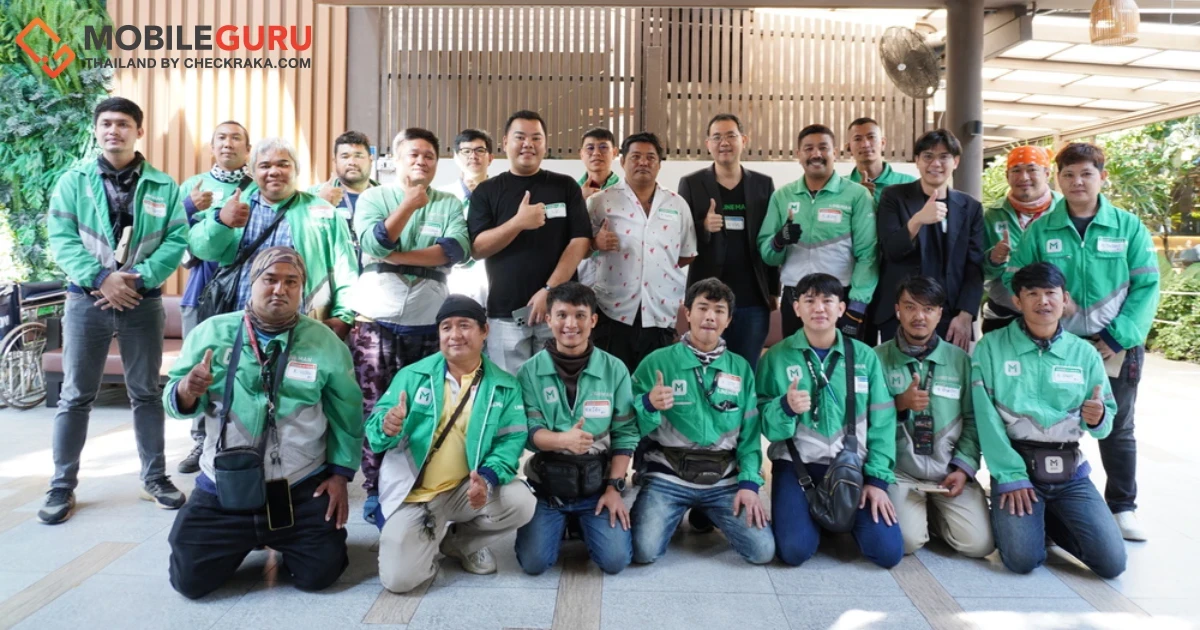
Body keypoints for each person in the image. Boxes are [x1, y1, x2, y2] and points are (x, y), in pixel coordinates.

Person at [164, 247, 364, 598]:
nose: (280, 289)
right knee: (189, 582)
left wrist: (339, 475)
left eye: (291, 282)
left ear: (301, 288)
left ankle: (281, 539)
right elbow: (174, 400)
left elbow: (347, 414)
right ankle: (247, 538)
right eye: (270, 279)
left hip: (298, 485)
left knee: (320, 575)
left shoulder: (325, 343)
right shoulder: (212, 333)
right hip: (224, 485)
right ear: (252, 281)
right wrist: (186, 390)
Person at [39, 97, 188, 525]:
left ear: (138, 131)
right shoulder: (73, 181)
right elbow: (61, 237)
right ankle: (62, 485)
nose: (113, 131)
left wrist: (136, 279)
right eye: (105, 123)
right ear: (96, 130)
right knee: (75, 395)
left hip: (143, 300)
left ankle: (154, 478)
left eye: (122, 124)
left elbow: (176, 239)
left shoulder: (163, 185)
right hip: (86, 300)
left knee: (146, 393)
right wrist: (101, 278)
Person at [1004, 143, 1159, 542]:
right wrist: (1050, 308)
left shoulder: (1128, 227)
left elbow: (1147, 286)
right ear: (1058, 179)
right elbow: (1014, 278)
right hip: (1059, 346)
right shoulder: (1041, 230)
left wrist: (1116, 336)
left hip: (1116, 346)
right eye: (1069, 175)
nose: (1077, 182)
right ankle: (1052, 501)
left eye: (1086, 174)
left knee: (1117, 426)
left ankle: (1122, 506)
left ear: (1102, 177)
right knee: (1052, 422)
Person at [368, 295, 536, 593]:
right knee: (399, 581)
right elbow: (374, 432)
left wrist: (487, 479)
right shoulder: (413, 376)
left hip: (466, 489)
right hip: (415, 494)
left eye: (464, 325)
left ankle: (461, 543)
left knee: (521, 502)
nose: (455, 334)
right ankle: (426, 537)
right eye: (446, 327)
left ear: (485, 331)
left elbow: (510, 442)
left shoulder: (504, 386)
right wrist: (387, 426)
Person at [349, 128, 471, 524]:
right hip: (376, 322)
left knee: (425, 409)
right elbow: (374, 242)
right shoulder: (374, 197)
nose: (421, 161)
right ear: (396, 159)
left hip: (426, 322)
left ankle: (420, 488)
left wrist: (396, 258)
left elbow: (454, 250)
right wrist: (407, 206)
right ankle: (374, 491)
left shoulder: (448, 203)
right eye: (413, 154)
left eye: (429, 156)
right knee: (377, 410)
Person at [974, 262, 1125, 578]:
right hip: (1017, 468)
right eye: (1032, 294)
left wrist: (1098, 418)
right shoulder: (991, 347)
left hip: (1070, 472)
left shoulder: (1084, 354)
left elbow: (1105, 418)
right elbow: (985, 418)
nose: (1043, 301)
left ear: (1064, 299)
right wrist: (1010, 475)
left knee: (1112, 564)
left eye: (1050, 293)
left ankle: (1048, 517)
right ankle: (1027, 516)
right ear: (1017, 301)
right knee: (1022, 559)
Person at [757, 273, 901, 568]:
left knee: (888, 553)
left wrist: (877, 480)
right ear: (796, 308)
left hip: (852, 466)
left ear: (841, 308)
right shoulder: (776, 358)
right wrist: (785, 408)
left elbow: (883, 422)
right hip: (797, 466)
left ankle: (834, 518)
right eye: (809, 301)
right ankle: (815, 518)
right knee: (794, 551)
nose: (819, 308)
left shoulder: (864, 356)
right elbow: (766, 427)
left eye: (827, 301)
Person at [629, 279, 774, 566]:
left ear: (728, 320)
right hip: (668, 475)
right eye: (703, 308)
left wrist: (749, 483)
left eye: (719, 311)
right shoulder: (657, 362)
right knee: (643, 551)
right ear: (687, 313)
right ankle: (678, 510)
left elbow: (750, 435)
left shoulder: (740, 368)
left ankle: (706, 511)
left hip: (724, 478)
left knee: (762, 551)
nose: (710, 316)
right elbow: (629, 428)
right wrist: (648, 404)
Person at [514, 282, 637, 575]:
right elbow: (529, 431)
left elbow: (626, 433)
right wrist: (562, 440)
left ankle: (582, 522)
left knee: (615, 561)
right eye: (562, 315)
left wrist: (614, 488)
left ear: (593, 320)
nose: (571, 324)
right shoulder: (529, 371)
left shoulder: (615, 369)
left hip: (597, 485)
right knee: (534, 563)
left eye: (580, 315)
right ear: (548, 320)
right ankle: (563, 522)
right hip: (548, 486)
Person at [188, 137, 359, 339]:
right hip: (239, 323)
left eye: (283, 164)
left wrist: (343, 315)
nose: (274, 171)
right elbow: (201, 249)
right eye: (265, 166)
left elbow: (345, 268)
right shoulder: (233, 205)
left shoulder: (323, 212)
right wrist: (221, 222)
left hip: (303, 327)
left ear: (296, 169)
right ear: (252, 172)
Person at [875, 276, 992, 558]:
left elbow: (973, 420)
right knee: (906, 542)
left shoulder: (961, 361)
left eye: (928, 309)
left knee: (980, 545)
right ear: (897, 310)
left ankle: (934, 516)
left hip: (947, 471)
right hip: (900, 472)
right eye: (910, 307)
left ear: (940, 314)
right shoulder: (876, 359)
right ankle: (918, 515)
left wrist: (963, 468)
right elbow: (864, 422)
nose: (919, 316)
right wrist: (899, 404)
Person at [467, 110, 592, 374]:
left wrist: (549, 290)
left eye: (536, 138)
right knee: (509, 388)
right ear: (505, 143)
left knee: (557, 386)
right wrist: (518, 223)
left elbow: (580, 241)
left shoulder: (565, 186)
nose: (528, 144)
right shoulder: (487, 191)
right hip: (505, 312)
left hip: (560, 310)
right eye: (520, 137)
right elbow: (477, 248)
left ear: (545, 144)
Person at [176, 120, 257, 475]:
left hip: (246, 289)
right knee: (200, 363)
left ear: (248, 149)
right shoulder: (192, 187)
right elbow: (167, 236)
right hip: (203, 288)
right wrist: (188, 208)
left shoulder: (258, 187)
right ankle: (200, 439)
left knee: (243, 364)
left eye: (236, 138)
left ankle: (243, 436)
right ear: (211, 147)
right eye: (221, 137)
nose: (228, 143)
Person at [589, 132, 697, 371]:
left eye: (650, 157)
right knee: (613, 380)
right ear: (622, 161)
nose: (643, 162)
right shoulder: (600, 202)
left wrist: (655, 265)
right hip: (612, 310)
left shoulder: (677, 204)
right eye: (636, 156)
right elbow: (580, 249)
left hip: (660, 310)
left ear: (659, 164)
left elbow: (687, 253)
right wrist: (596, 243)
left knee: (655, 382)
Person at [758, 124, 876, 341]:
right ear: (798, 154)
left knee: (844, 361)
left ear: (835, 152)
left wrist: (857, 307)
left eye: (823, 148)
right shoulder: (782, 196)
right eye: (808, 148)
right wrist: (778, 241)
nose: (816, 154)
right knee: (796, 358)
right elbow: (768, 255)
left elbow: (868, 255)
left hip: (841, 298)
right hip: (795, 297)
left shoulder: (857, 195)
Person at [678, 114, 778, 370]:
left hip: (752, 297)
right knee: (704, 367)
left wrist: (773, 290)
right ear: (708, 144)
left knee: (746, 368)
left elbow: (770, 237)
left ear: (743, 140)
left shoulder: (763, 184)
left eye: (731, 136)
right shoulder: (691, 183)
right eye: (717, 137)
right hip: (707, 296)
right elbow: (679, 236)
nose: (724, 142)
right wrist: (703, 227)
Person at [875, 129, 984, 349]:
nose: (935, 163)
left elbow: (975, 265)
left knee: (948, 370)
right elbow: (890, 251)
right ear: (917, 160)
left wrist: (965, 314)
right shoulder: (894, 196)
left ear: (955, 162)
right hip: (902, 311)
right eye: (928, 156)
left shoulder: (970, 207)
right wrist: (917, 220)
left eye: (944, 157)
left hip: (949, 315)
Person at [981, 146, 1060, 333]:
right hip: (1004, 314)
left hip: (1054, 314)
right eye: (1016, 170)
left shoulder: (1064, 211)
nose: (1024, 177)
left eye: (1032, 169)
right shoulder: (992, 215)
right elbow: (979, 271)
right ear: (1007, 176)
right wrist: (994, 259)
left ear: (1047, 173)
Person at [440, 129, 495, 308]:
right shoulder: (442, 197)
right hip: (451, 282)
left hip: (492, 281)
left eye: (480, 150)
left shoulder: (503, 196)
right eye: (466, 151)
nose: (473, 156)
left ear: (490, 158)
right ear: (456, 157)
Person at [309, 131, 381, 265]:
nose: (352, 162)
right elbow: (302, 239)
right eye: (345, 156)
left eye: (358, 156)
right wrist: (321, 205)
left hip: (376, 274)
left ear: (370, 160)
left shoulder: (385, 198)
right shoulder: (312, 196)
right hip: (331, 274)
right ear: (335, 161)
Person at [575, 128, 621, 287]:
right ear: (581, 154)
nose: (596, 153)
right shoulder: (570, 192)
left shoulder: (627, 191)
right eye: (590, 148)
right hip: (580, 268)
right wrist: (579, 199)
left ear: (614, 152)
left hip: (619, 269)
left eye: (603, 147)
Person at [845, 117, 917, 206]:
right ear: (849, 147)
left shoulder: (909, 183)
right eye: (857, 139)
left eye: (871, 137)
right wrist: (858, 198)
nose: (865, 144)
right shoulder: (840, 186)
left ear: (883, 143)